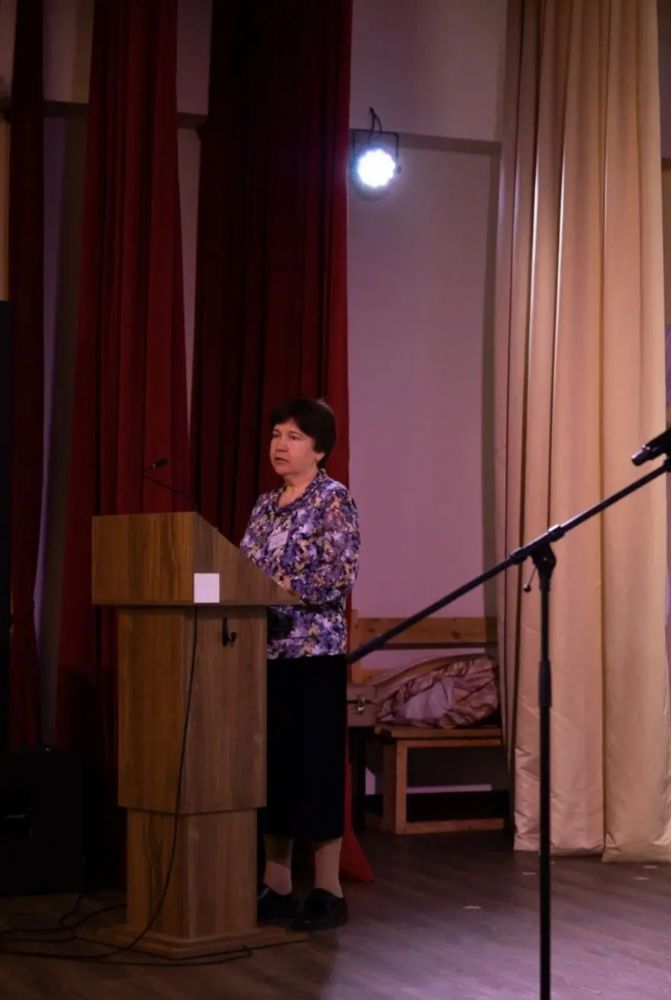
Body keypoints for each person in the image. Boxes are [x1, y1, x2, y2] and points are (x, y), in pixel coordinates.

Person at [240, 397, 360, 932]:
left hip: (314, 657)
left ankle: (328, 890)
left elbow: (336, 575)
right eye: (275, 434)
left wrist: (273, 590)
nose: (280, 445)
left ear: (320, 449)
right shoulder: (265, 505)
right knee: (274, 768)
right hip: (262, 655)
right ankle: (278, 883)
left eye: (293, 436)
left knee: (315, 769)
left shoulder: (333, 500)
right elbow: (242, 568)